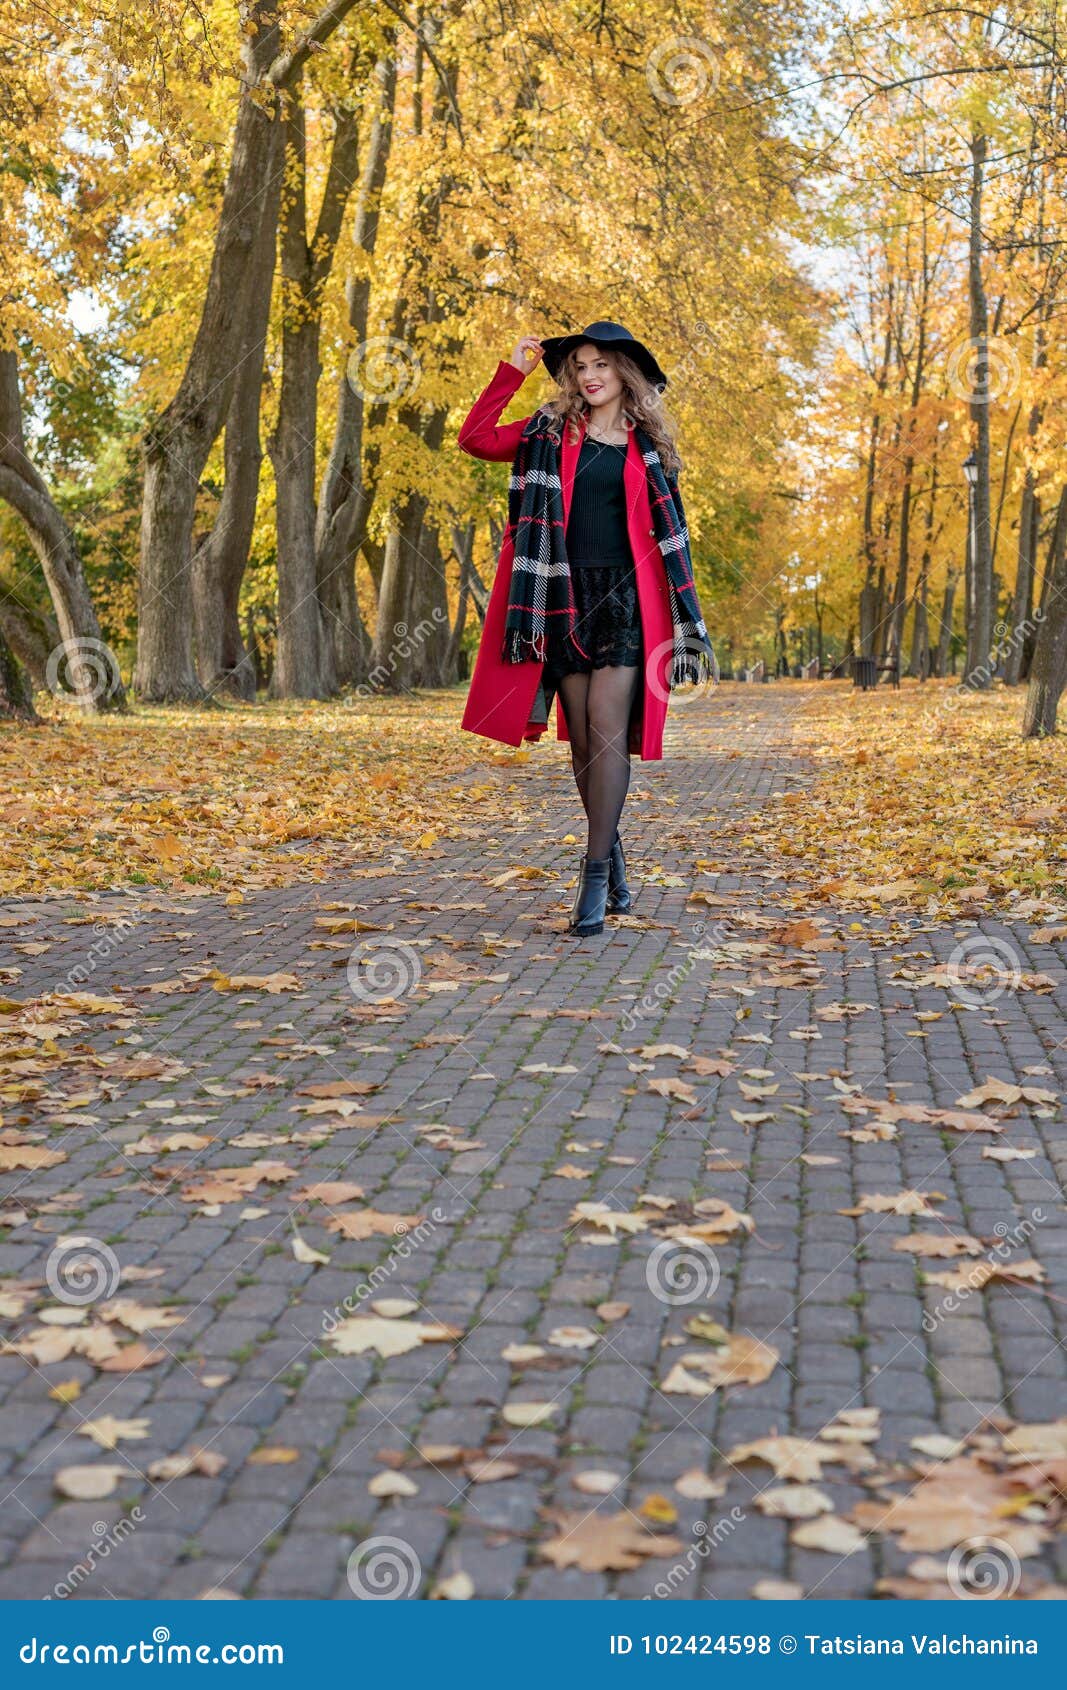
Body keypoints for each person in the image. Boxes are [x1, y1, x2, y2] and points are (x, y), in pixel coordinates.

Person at [458, 320, 717, 936]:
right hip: (560, 597)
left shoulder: (649, 447)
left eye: (601, 364)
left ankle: (594, 872)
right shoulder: (548, 433)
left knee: (605, 729)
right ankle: (616, 857)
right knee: (579, 742)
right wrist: (512, 373)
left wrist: (686, 621)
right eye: (579, 366)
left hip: (628, 603)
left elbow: (672, 540)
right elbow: (474, 438)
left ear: (625, 373)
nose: (589, 375)